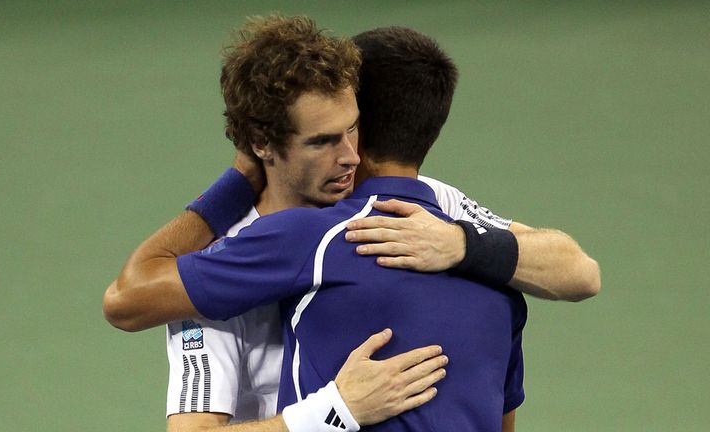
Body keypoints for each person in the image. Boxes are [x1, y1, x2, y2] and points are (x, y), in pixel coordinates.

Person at [102, 15, 600, 432]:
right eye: (322, 141)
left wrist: (462, 244)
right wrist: (334, 412)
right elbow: (126, 302)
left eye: (353, 129)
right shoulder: (211, 271)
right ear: (262, 143)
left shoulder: (430, 213)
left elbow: (578, 271)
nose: (350, 156)